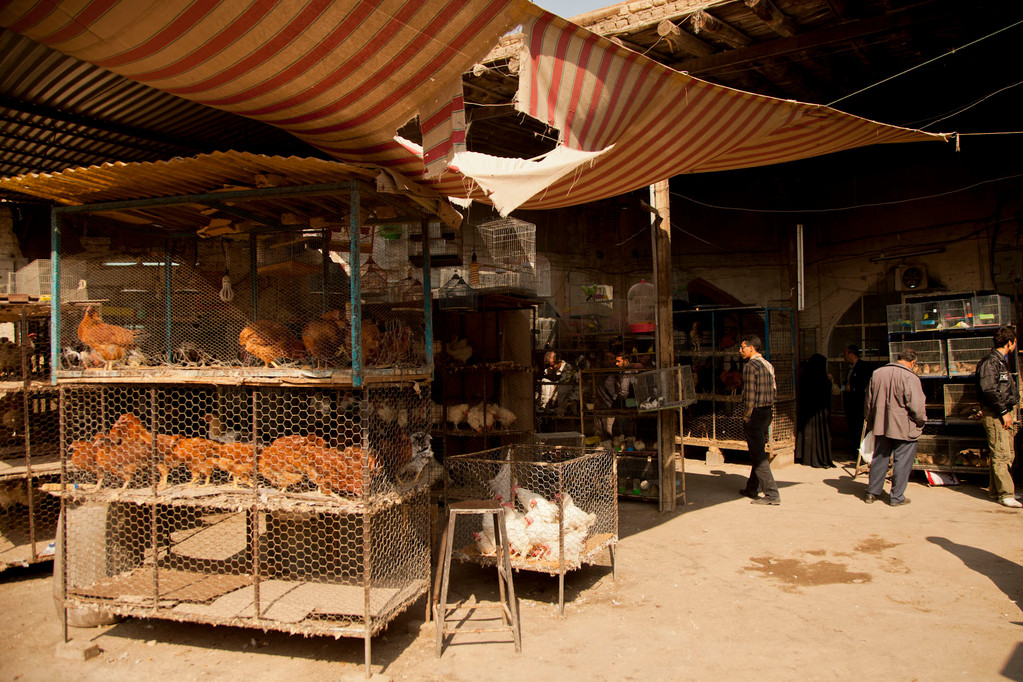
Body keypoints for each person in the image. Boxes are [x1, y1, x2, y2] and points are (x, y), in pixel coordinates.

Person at [863, 347, 926, 507]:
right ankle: (896, 496)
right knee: (902, 461)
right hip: (904, 427)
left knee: (879, 458)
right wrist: (920, 421)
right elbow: (917, 406)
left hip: (881, 425)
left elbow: (868, 402)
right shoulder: (910, 377)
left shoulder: (877, 374)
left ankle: (872, 492)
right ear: (913, 362)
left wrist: (871, 421)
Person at [975, 325, 1021, 508]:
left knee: (1006, 452)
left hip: (1002, 412)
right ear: (1010, 342)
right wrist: (1003, 412)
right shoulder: (990, 362)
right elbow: (988, 389)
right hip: (995, 414)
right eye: (1015, 342)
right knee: (1001, 454)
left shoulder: (1000, 361)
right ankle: (1006, 493)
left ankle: (996, 490)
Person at [737, 334, 780, 505]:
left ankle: (771, 494)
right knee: (758, 452)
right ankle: (751, 487)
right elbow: (774, 390)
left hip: (755, 413)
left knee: (758, 455)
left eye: (743, 347)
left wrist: (747, 416)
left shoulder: (750, 366)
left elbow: (749, 395)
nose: (740, 350)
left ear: (751, 348)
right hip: (767, 412)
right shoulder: (768, 365)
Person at [795, 353, 835, 468]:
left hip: (807, 412)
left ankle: (806, 458)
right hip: (820, 414)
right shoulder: (823, 379)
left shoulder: (805, 376)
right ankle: (820, 457)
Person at [596, 350, 633, 439]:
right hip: (621, 401)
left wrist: (617, 401)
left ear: (626, 361)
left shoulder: (626, 373)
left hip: (626, 402)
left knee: (622, 423)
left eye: (618, 361)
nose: (616, 364)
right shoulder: (621, 373)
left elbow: (624, 392)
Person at [842, 344, 872, 443]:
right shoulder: (850, 368)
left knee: (859, 427)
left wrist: (853, 388)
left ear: (851, 354)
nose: (844, 356)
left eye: (846, 353)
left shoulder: (863, 367)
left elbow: (865, 384)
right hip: (850, 404)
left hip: (859, 403)